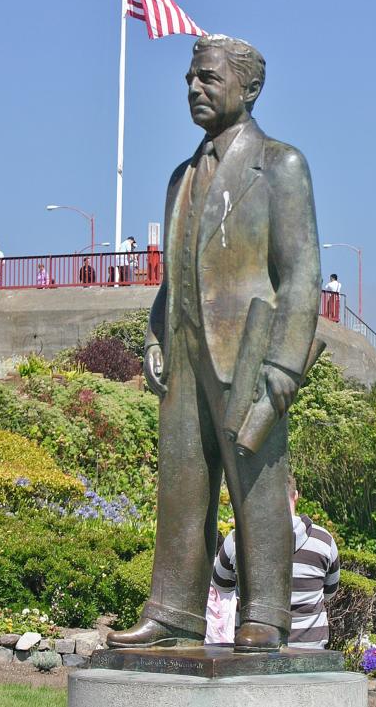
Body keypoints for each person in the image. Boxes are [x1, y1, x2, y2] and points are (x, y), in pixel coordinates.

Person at [106, 34, 320, 653]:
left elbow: (301, 275)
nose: (194, 89)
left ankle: (267, 613)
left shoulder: (280, 165)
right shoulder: (181, 178)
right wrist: (154, 332)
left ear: (249, 89)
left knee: (256, 487)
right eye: (190, 80)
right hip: (185, 353)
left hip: (250, 355)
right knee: (181, 485)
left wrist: (284, 369)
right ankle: (174, 610)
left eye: (208, 79)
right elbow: (177, 273)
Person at [210, 474, 340, 649]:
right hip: (310, 648)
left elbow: (221, 585)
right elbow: (329, 591)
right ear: (296, 496)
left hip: (257, 650)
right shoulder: (323, 540)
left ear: (262, 497)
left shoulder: (238, 540)